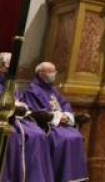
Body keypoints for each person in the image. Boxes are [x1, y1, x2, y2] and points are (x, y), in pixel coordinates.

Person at [20, 61, 88, 182]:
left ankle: (73, 178)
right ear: (40, 74)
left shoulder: (53, 90)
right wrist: (57, 118)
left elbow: (64, 104)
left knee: (76, 136)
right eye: (50, 72)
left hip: (61, 124)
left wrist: (67, 116)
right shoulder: (32, 91)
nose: (54, 74)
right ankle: (60, 176)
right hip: (49, 126)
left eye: (54, 71)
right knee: (65, 138)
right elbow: (37, 112)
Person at [0, 53, 54, 182]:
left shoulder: (11, 84)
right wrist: (14, 107)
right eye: (10, 66)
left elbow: (21, 101)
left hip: (17, 118)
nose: (13, 70)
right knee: (22, 136)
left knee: (39, 134)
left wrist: (22, 107)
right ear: (2, 68)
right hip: (5, 120)